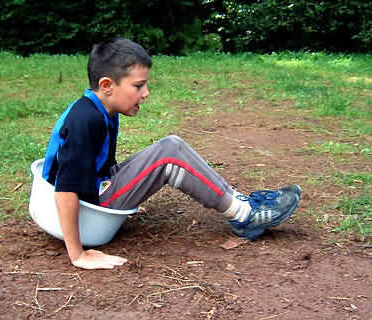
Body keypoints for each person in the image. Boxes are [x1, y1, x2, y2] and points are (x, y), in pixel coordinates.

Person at [42, 37, 301, 270]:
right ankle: (245, 217)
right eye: (138, 86)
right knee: (169, 154)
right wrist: (77, 254)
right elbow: (64, 190)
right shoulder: (85, 119)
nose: (146, 93)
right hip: (89, 215)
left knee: (171, 145)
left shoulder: (99, 109)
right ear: (107, 85)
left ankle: (242, 204)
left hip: (95, 193)